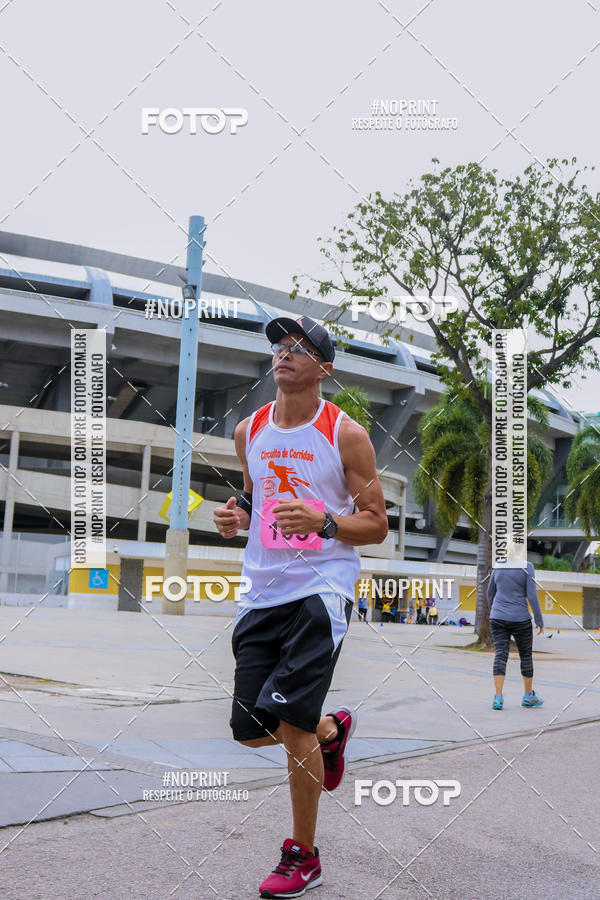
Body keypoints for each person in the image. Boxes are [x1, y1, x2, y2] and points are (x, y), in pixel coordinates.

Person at [213, 314, 388, 898]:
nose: (284, 354)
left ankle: (303, 856)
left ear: (324, 367)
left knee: (288, 725)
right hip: (261, 590)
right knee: (250, 728)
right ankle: (330, 730)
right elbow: (252, 493)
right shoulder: (249, 429)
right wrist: (236, 515)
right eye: (279, 346)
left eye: (299, 347)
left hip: (322, 588)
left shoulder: (346, 434)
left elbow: (377, 525)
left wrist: (326, 521)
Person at [486, 535, 545, 711]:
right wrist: (540, 620)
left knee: (500, 655)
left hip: (498, 618)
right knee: (525, 656)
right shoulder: (527, 567)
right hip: (520, 618)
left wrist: (495, 612)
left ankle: (498, 698)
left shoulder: (499, 566)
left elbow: (490, 593)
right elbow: (532, 596)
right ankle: (528, 696)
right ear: (522, 550)